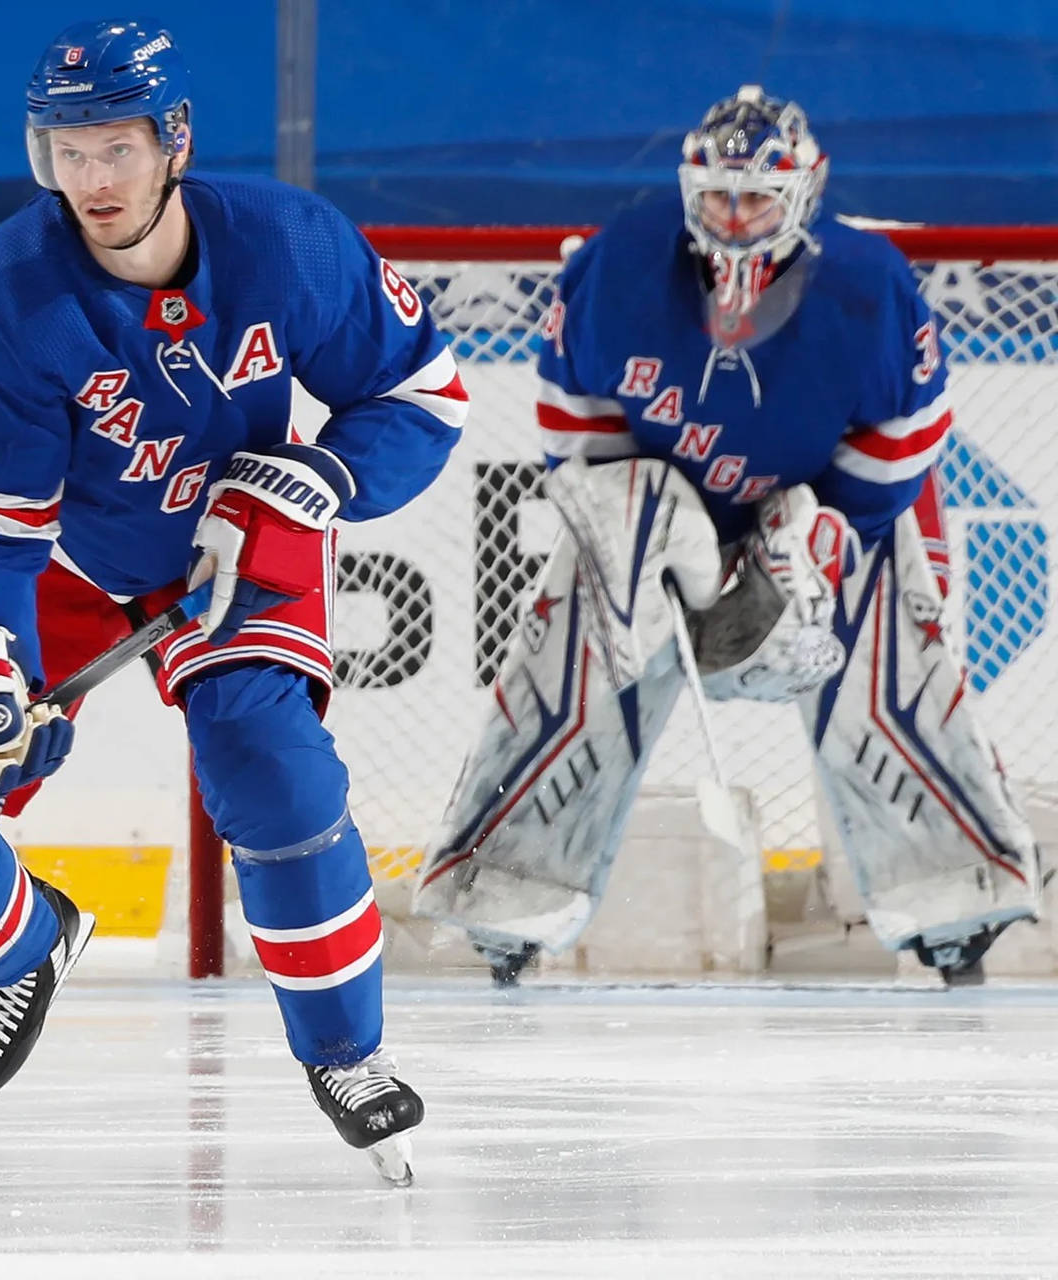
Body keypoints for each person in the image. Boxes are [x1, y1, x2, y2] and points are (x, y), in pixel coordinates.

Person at [0, 18, 467, 1182]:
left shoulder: (290, 244)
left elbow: (426, 397)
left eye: (114, 148)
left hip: (239, 549)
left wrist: (320, 475)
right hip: (69, 562)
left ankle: (346, 1052)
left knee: (275, 779)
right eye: (66, 153)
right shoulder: (9, 289)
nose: (91, 181)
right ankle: (26, 950)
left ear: (172, 139)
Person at [414, 86, 1043, 986]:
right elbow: (571, 416)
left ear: (804, 192)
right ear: (688, 190)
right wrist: (646, 528)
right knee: (579, 643)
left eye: (757, 197)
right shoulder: (619, 263)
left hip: (821, 505)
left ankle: (959, 896)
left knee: (889, 668)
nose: (736, 216)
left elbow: (905, 440)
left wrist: (818, 538)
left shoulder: (869, 286)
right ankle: (505, 892)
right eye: (718, 195)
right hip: (666, 509)